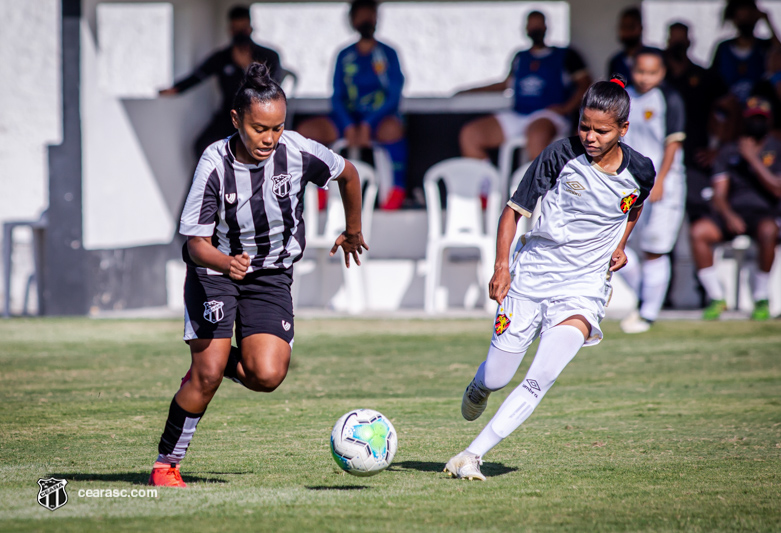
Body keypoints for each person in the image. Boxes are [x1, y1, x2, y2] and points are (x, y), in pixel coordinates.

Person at [149, 63, 368, 487]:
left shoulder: (297, 150)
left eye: (277, 127)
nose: (269, 138)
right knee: (208, 375)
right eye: (259, 128)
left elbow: (348, 174)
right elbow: (194, 242)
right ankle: (166, 463)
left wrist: (354, 228)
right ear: (236, 120)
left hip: (271, 276)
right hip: (215, 270)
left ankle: (206, 363)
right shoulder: (214, 162)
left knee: (266, 375)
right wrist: (224, 263)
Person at [444, 75, 655, 481]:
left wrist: (620, 244)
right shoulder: (559, 155)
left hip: (583, 288)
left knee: (541, 377)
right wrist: (501, 266)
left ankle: (471, 455)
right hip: (533, 274)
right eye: (584, 126)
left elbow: (634, 207)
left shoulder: (641, 171)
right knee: (499, 376)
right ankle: (480, 385)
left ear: (623, 130)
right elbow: (513, 211)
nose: (590, 136)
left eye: (601, 130)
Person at [297, 0, 406, 210]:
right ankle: (317, 192)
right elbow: (337, 96)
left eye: (370, 15)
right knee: (307, 131)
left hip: (379, 119)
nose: (366, 21)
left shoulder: (388, 53)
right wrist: (348, 125)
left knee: (393, 129)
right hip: (345, 120)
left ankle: (396, 191)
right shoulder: (344, 55)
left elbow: (394, 96)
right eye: (361, 16)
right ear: (352, 20)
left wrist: (367, 124)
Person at [689, 96, 780, 321]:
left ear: (768, 121)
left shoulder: (777, 149)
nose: (756, 124)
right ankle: (717, 298)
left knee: (770, 231)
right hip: (732, 214)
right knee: (699, 231)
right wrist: (728, 214)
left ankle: (761, 297)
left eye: (760, 119)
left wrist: (752, 159)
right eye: (752, 119)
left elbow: (778, 189)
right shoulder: (729, 150)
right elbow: (719, 193)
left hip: (763, 214)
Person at [458, 10, 591, 164]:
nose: (535, 29)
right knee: (470, 134)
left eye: (538, 24)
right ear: (526, 29)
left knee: (536, 136)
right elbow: (505, 84)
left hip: (549, 115)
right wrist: (468, 91)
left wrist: (566, 108)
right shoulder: (520, 57)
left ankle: (538, 186)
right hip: (519, 114)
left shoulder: (566, 55)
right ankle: (488, 186)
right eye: (531, 25)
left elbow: (585, 84)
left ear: (546, 27)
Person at [618, 48, 686, 334]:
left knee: (654, 249)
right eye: (640, 71)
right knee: (616, 245)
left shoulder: (669, 99)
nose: (645, 78)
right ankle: (644, 301)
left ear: (662, 72)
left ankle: (647, 314)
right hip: (628, 182)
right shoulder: (623, 99)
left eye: (652, 72)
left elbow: (673, 143)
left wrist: (660, 180)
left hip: (663, 184)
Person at [159, 5, 283, 158]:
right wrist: (175, 89)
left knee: (253, 149)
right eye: (235, 29)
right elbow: (198, 75)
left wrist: (247, 67)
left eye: (243, 29)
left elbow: (273, 88)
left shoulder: (268, 55)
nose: (240, 34)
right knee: (202, 146)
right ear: (230, 30)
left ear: (250, 28)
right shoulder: (222, 57)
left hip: (259, 116)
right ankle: (210, 181)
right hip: (228, 115)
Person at [664, 22, 729, 231]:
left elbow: (727, 110)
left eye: (681, 40)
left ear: (689, 42)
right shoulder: (659, 77)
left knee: (698, 215)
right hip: (663, 159)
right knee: (664, 219)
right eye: (673, 40)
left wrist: (717, 147)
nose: (677, 45)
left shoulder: (704, 76)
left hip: (695, 157)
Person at [711, 0, 780, 105]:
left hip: (760, 111)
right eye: (741, 18)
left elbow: (779, 56)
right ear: (734, 19)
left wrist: (768, 22)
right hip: (731, 113)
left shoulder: (764, 47)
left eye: (749, 17)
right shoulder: (723, 48)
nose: (745, 22)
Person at [607, 6, 644, 85]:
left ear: (640, 28)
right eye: (623, 27)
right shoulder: (615, 62)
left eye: (631, 27)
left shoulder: (655, 57)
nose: (627, 31)